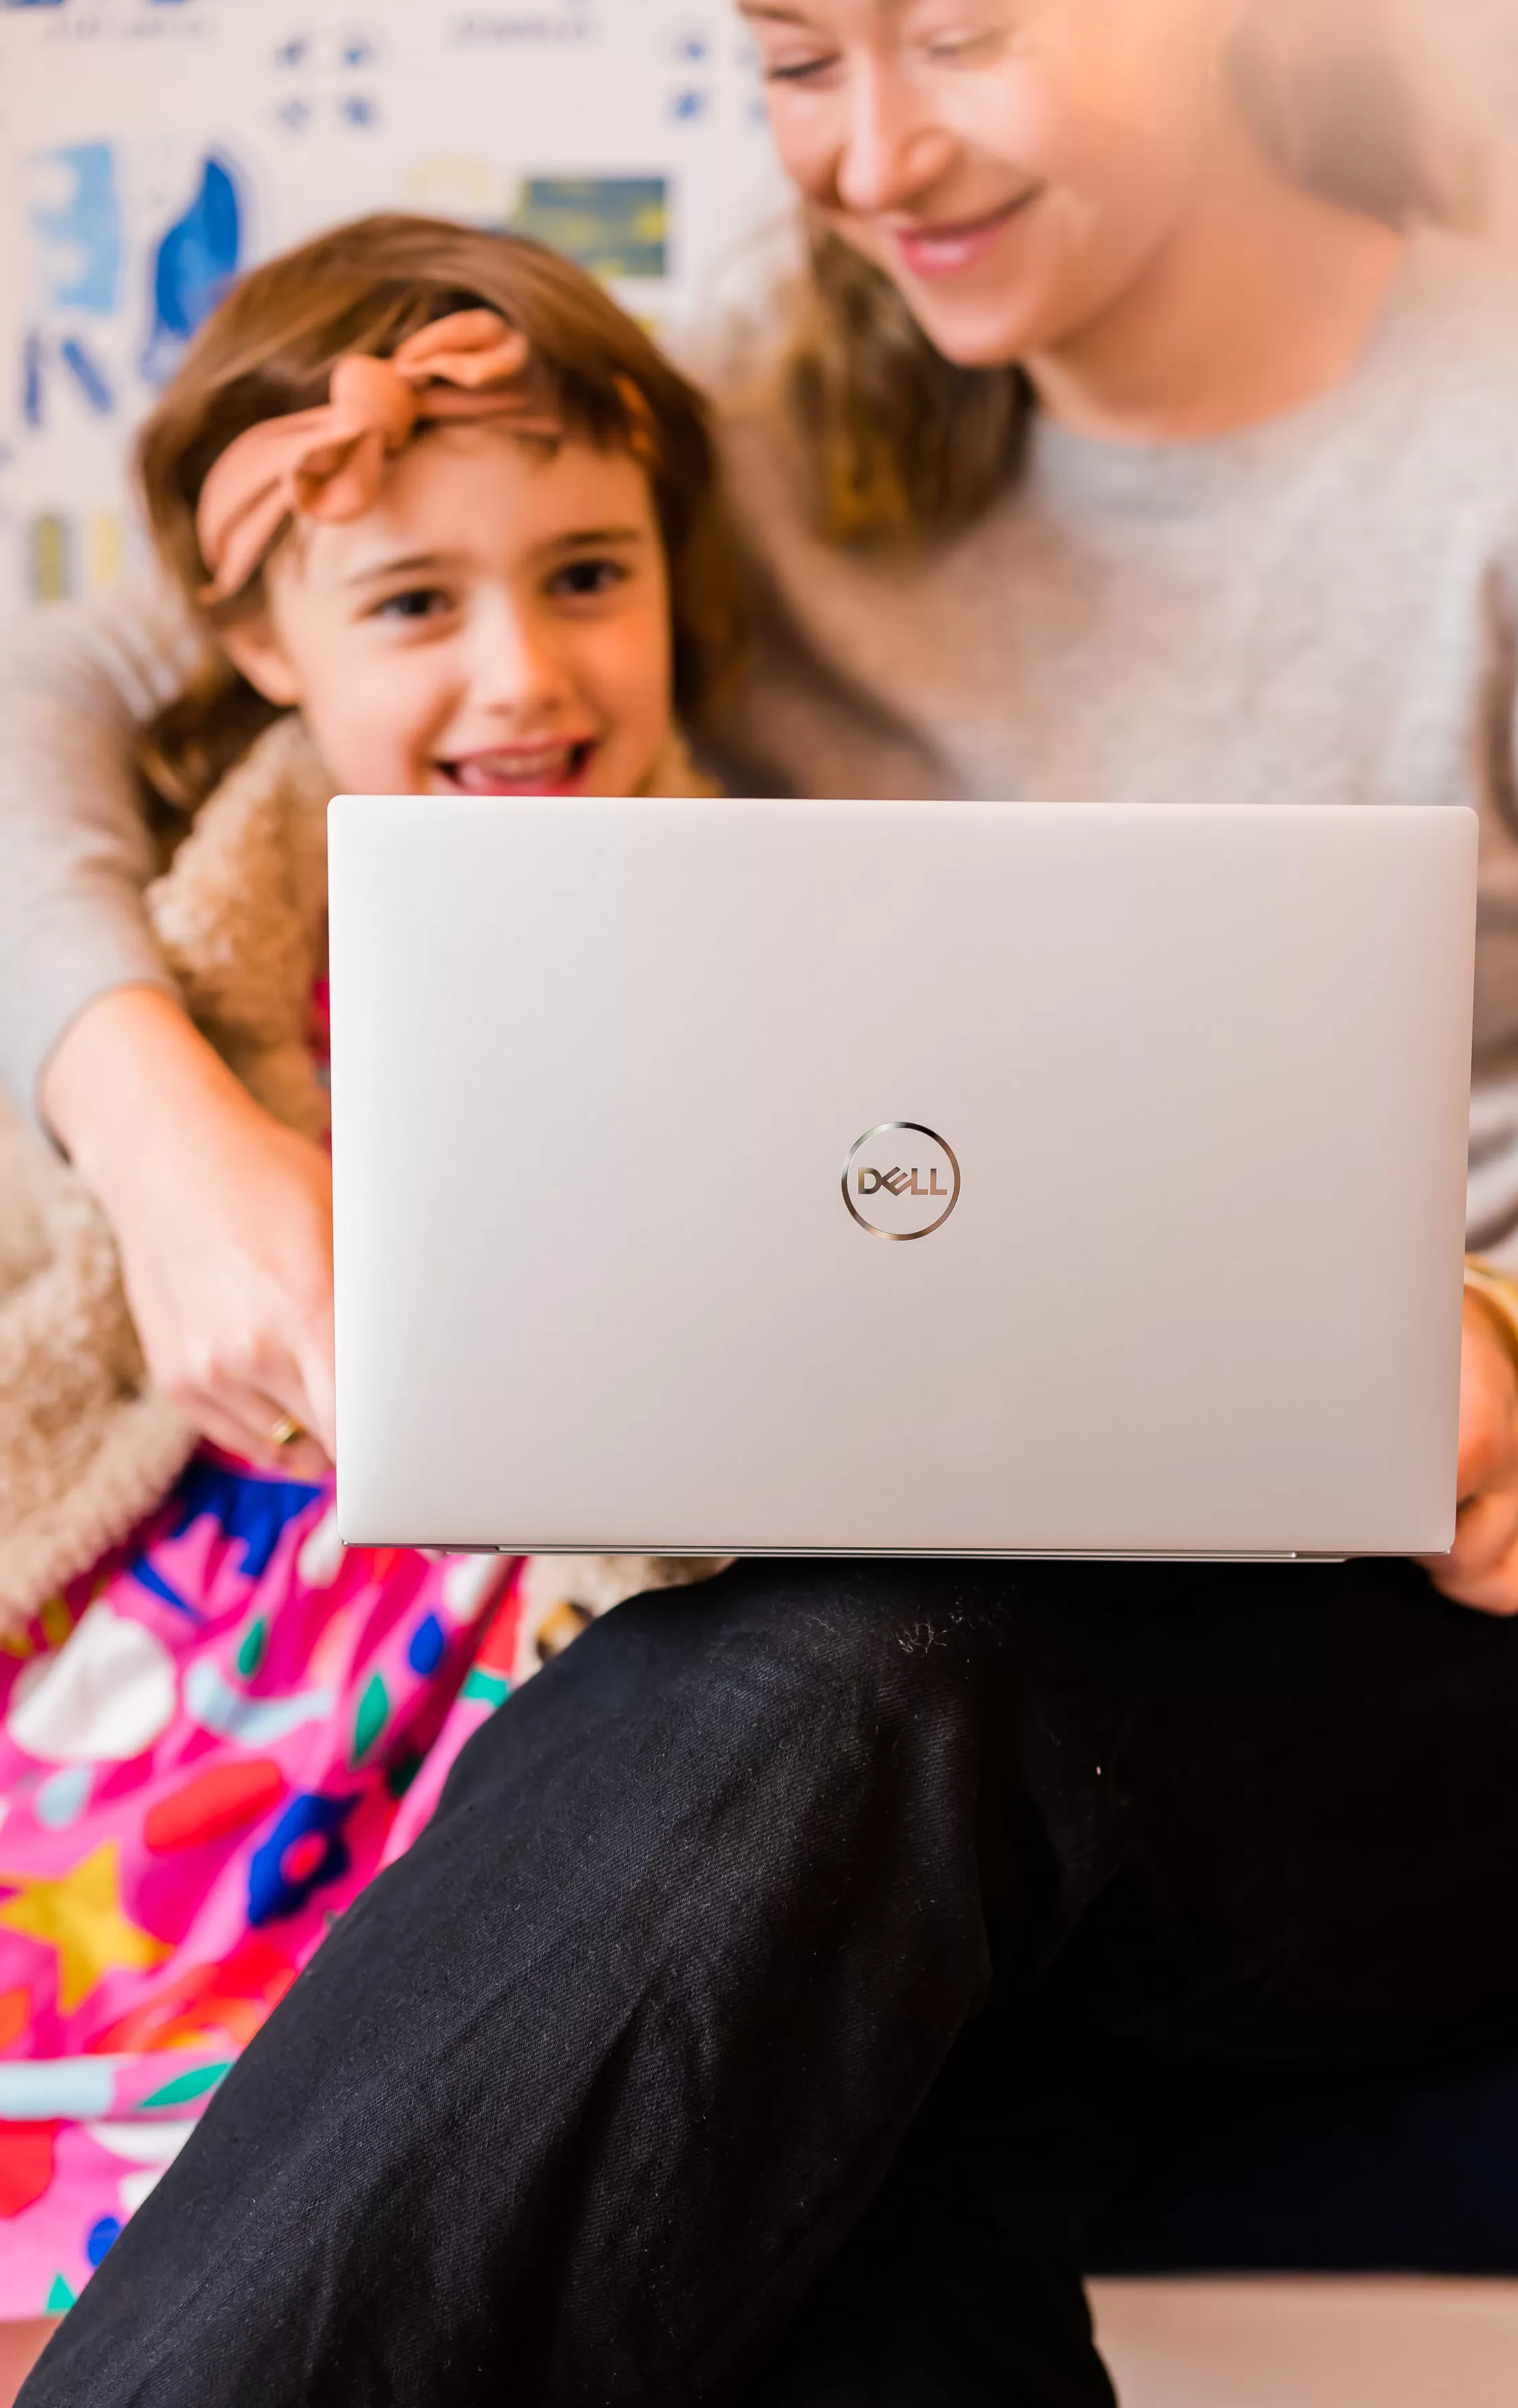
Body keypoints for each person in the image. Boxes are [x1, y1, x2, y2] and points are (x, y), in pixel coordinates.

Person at [10, 0, 1518, 2397]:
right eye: (797, 55)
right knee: (822, 2122)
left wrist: (1501, 1332)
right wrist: (158, 1128)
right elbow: (76, 679)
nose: (874, 152)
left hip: (1493, 1585)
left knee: (849, 1678)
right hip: (922, 1636)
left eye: (957, 37)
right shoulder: (742, 397)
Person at [0, 213, 738, 2380]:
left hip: (504, 1664)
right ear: (252, 641)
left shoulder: (764, 921)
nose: (522, 673)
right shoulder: (178, 937)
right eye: (417, 602)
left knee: (362, 2155)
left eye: (589, 575)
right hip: (173, 1637)